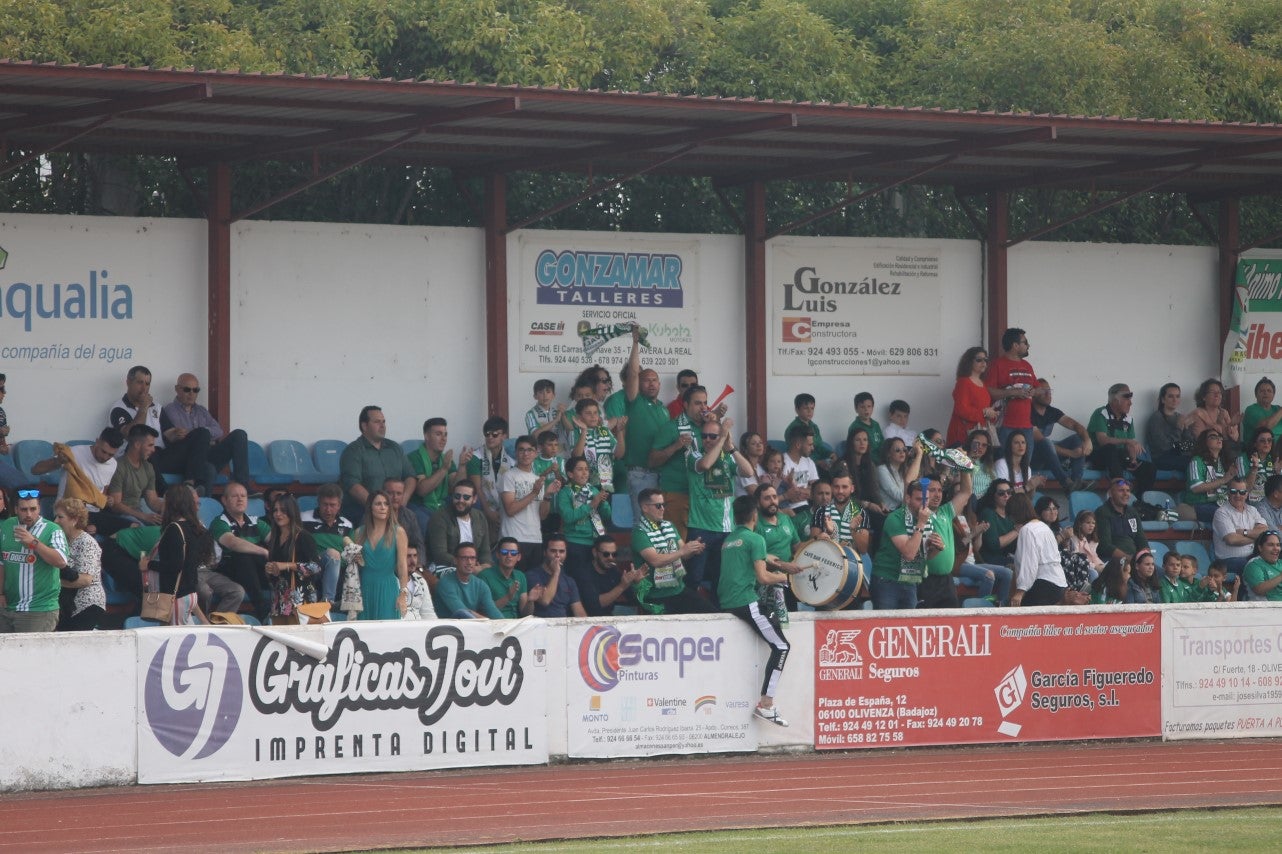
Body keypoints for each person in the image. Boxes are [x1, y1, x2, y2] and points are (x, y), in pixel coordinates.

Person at [718, 496, 796, 727]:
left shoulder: (730, 540)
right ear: (754, 516)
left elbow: (759, 562)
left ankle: (766, 703)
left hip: (728, 600)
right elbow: (763, 577)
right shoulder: (756, 539)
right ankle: (766, 704)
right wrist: (786, 577)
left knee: (778, 640)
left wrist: (782, 566)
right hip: (746, 601)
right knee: (782, 646)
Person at [107, 366, 209, 494]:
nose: (144, 388)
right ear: (128, 382)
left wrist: (177, 434)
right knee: (145, 445)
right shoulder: (118, 408)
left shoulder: (156, 407)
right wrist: (143, 408)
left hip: (160, 456)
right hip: (135, 458)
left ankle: (191, 484)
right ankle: (165, 492)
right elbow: (130, 435)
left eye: (147, 383)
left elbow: (169, 433)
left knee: (203, 433)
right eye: (140, 383)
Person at [684, 416, 755, 595]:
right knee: (694, 576)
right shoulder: (693, 453)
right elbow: (706, 464)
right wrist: (721, 438)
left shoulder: (727, 457)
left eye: (712, 436)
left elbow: (748, 471)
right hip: (700, 527)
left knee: (720, 577)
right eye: (704, 436)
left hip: (725, 528)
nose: (707, 439)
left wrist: (731, 448)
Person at [159, 373, 251, 489]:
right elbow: (184, 438)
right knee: (209, 470)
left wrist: (203, 434)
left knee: (239, 434)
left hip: (207, 453)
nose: (192, 394)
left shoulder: (201, 410)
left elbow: (219, 431)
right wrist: (203, 435)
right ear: (177, 389)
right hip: (187, 459)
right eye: (187, 389)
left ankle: (243, 485)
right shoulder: (170, 410)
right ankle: (198, 500)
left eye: (196, 390)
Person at [631, 487, 713, 614]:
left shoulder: (669, 526)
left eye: (664, 505)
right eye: (658, 505)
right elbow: (655, 560)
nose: (663, 509)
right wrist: (682, 552)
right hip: (655, 597)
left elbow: (683, 554)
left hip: (678, 590)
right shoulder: (639, 533)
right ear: (645, 508)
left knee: (712, 613)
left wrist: (693, 548)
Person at [142, 484, 213, 625]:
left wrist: (148, 564)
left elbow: (175, 566)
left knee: (177, 643)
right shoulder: (196, 529)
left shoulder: (174, 529)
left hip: (177, 596)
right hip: (191, 594)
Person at [0, 488, 69, 632]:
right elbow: (2, 563)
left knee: (30, 654)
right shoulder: (6, 526)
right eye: (24, 509)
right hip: (7, 607)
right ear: (16, 509)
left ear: (39, 508)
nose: (29, 514)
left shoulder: (53, 530)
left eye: (33, 509)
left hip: (39, 610)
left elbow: (61, 561)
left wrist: (34, 543)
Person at [619, 325, 669, 521]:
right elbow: (632, 373)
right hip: (640, 474)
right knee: (644, 523)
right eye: (646, 380)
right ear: (638, 384)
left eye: (654, 380)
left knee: (660, 523)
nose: (651, 383)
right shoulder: (635, 401)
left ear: (659, 384)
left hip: (661, 474)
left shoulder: (663, 409)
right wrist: (635, 343)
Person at [868, 446, 926, 609]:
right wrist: (921, 524)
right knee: (885, 628)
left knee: (907, 629)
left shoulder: (928, 518)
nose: (923, 504)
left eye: (925, 499)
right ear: (907, 499)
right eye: (919, 499)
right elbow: (908, 553)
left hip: (910, 579)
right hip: (887, 580)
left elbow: (924, 553)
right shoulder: (896, 517)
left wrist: (936, 548)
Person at [649, 384, 710, 538]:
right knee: (678, 545)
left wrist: (716, 427)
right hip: (678, 494)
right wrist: (675, 446)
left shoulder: (709, 428)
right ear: (685, 404)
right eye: (697, 403)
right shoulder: (671, 428)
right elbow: (652, 461)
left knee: (702, 546)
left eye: (705, 403)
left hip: (704, 496)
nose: (703, 408)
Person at [30, 427, 125, 526]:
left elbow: (102, 491)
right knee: (88, 531)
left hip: (93, 514)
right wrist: (58, 461)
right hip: (67, 511)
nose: (105, 457)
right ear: (97, 442)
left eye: (110, 455)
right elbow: (35, 470)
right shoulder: (75, 452)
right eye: (103, 452)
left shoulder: (113, 464)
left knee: (132, 526)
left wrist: (107, 500)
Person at [338, 405, 415, 523]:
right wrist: (378, 507)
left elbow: (410, 477)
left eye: (384, 422)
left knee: (418, 520)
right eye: (377, 422)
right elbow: (353, 486)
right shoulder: (353, 451)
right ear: (364, 426)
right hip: (364, 509)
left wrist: (403, 501)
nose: (383, 426)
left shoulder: (394, 448)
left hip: (397, 507)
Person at [209, 480, 270, 620]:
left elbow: (276, 542)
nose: (240, 499)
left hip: (256, 573)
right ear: (224, 500)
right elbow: (233, 543)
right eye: (235, 496)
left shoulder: (256, 521)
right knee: (242, 556)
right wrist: (264, 551)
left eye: (243, 496)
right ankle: (262, 609)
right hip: (230, 573)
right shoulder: (219, 522)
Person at [917, 461, 974, 609]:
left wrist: (963, 466)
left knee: (951, 623)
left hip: (947, 581)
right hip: (925, 580)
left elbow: (966, 492)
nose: (937, 495)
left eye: (940, 490)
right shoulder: (918, 513)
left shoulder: (946, 511)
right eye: (932, 490)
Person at [500, 435, 562, 569]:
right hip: (513, 538)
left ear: (536, 453)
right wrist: (534, 493)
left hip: (535, 538)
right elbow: (510, 510)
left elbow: (542, 515)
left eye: (529, 450)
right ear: (516, 452)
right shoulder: (509, 476)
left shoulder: (537, 479)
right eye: (521, 450)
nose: (525, 454)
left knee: (533, 585)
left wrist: (547, 496)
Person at [1087, 383, 1156, 495]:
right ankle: (1119, 485)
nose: (1130, 403)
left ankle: (1141, 500)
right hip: (1099, 456)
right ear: (1115, 400)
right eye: (1126, 398)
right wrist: (1127, 441)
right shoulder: (1101, 413)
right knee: (1110, 448)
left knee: (1149, 468)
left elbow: (1130, 444)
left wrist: (1133, 459)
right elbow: (1102, 440)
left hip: (1119, 457)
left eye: (1130, 398)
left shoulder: (1128, 419)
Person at [263, 494, 322, 622]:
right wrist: (272, 570)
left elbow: (316, 567)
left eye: (283, 510)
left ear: (292, 512)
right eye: (275, 510)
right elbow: (277, 576)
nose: (278, 514)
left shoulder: (303, 536)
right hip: (280, 604)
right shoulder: (274, 538)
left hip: (300, 602)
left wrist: (287, 565)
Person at [408, 417, 472, 533]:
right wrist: (443, 469)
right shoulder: (414, 457)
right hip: (420, 505)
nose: (443, 439)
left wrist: (462, 466)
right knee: (429, 524)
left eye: (445, 435)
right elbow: (422, 490)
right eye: (438, 434)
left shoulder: (445, 459)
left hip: (442, 503)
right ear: (426, 436)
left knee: (472, 507)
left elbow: (456, 488)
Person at [352, 490, 409, 620]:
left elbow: (402, 565)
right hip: (364, 587)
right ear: (370, 507)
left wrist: (403, 594)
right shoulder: (359, 533)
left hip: (388, 587)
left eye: (386, 504)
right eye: (378, 504)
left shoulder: (398, 532)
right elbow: (355, 567)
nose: (383, 507)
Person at [99, 424, 164, 536]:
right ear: (137, 445)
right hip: (121, 517)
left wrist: (171, 507)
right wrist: (144, 516)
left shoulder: (148, 467)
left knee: (167, 530)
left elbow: (152, 500)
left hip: (139, 515)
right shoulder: (118, 466)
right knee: (145, 534)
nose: (153, 449)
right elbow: (116, 505)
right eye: (150, 445)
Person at [556, 455, 612, 582]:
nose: (585, 472)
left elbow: (607, 516)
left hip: (594, 543)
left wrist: (603, 503)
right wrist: (592, 505)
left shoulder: (593, 490)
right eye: (580, 469)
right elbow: (568, 517)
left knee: (591, 581)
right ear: (570, 474)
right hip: (574, 543)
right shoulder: (565, 492)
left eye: (586, 469)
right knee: (576, 581)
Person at [1009, 493, 1071, 606]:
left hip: (1044, 584)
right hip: (1059, 582)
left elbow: (1029, 563)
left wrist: (1020, 591)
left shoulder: (1027, 530)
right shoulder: (1044, 527)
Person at [1030, 380, 1092, 492]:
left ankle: (1076, 482)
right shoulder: (1027, 411)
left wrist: (1087, 440)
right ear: (1033, 393)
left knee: (1078, 438)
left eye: (1049, 391)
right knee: (1046, 442)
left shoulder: (1052, 411)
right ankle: (1066, 483)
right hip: (1033, 460)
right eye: (1044, 391)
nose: (1048, 394)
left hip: (1051, 459)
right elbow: (1040, 440)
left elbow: (1075, 425)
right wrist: (1071, 453)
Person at [54, 498, 105, 631]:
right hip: (68, 604)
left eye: (60, 517)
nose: (56, 521)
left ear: (74, 519)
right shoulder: (62, 541)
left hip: (87, 605)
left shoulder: (87, 543)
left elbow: (85, 580)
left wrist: (52, 582)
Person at [300, 483, 354, 605]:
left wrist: (338, 561)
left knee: (336, 557)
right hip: (311, 569)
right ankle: (328, 602)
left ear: (339, 505)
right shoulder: (303, 519)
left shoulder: (347, 525)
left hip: (339, 574)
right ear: (318, 503)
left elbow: (351, 555)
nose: (328, 509)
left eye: (332, 505)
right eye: (325, 505)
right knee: (332, 553)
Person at [569, 534, 643, 617]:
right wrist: (622, 586)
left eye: (614, 554)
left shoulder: (613, 571)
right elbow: (595, 605)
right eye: (606, 554)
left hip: (608, 620)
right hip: (586, 622)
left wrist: (636, 583)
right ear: (595, 553)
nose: (610, 558)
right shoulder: (583, 573)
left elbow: (634, 601)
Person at [987, 328, 1037, 448]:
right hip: (1005, 425)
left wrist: (1033, 391)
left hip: (1027, 425)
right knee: (1004, 463)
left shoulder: (1027, 365)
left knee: (1025, 465)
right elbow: (988, 390)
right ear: (1015, 345)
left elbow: (1037, 388)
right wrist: (1011, 392)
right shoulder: (997, 364)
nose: (1028, 345)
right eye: (1025, 342)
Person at [428, 479, 493, 571]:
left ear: (474, 499)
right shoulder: (440, 517)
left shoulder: (480, 517)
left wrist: (484, 567)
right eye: (457, 496)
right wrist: (467, 566)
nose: (461, 500)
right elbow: (440, 554)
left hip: (474, 568)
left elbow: (485, 551)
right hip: (446, 567)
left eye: (466, 497)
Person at [468, 415, 514, 540]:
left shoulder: (511, 461)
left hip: (503, 505)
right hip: (481, 504)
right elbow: (477, 488)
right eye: (487, 434)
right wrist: (489, 512)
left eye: (494, 434)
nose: (490, 437)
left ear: (504, 436)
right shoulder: (475, 457)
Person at [1211, 477, 1268, 575]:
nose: (1238, 495)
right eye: (1234, 491)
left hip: (1251, 556)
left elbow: (1264, 530)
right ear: (1228, 493)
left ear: (1246, 494)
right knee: (1247, 565)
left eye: (1242, 492)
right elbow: (1232, 540)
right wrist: (1256, 538)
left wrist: (1244, 532)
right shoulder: (1221, 513)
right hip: (1228, 561)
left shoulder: (1252, 510)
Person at [569, 397, 625, 495]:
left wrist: (619, 432)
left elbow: (619, 454)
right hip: (584, 485)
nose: (593, 416)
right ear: (579, 417)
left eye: (595, 412)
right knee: (587, 510)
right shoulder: (575, 432)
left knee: (606, 510)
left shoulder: (604, 430)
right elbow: (576, 456)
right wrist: (584, 431)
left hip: (606, 484)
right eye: (588, 413)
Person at [436, 542, 503, 619]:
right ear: (455, 560)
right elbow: (463, 613)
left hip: (472, 627)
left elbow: (493, 611)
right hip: (447, 629)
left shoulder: (481, 584)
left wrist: (506, 625)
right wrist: (487, 621)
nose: (469, 562)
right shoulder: (445, 583)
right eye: (464, 558)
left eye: (472, 558)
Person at [947, 346, 998, 447]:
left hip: (980, 432)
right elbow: (961, 409)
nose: (983, 363)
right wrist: (984, 413)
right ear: (969, 362)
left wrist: (991, 414)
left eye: (985, 360)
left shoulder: (983, 384)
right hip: (964, 432)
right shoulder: (964, 382)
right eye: (979, 360)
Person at [525, 535, 586, 618]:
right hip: (540, 626)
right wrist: (556, 573)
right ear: (545, 552)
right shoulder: (532, 575)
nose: (557, 555)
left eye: (561, 551)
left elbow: (579, 612)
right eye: (553, 551)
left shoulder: (569, 581)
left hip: (564, 626)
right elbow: (545, 601)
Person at [1182, 430, 1234, 525]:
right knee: (1226, 515)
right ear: (1204, 442)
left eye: (1220, 437)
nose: (1219, 439)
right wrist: (1223, 480)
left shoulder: (1224, 462)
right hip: (1201, 504)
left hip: (1223, 503)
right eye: (1213, 437)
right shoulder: (1197, 461)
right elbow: (1196, 487)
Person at [1095, 478, 1149, 561]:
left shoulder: (1132, 512)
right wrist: (1129, 560)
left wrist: (1146, 558)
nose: (1126, 494)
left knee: (1160, 572)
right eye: (1121, 490)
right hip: (1113, 560)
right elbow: (1105, 546)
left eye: (1128, 490)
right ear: (1110, 493)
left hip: (1134, 560)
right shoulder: (1102, 512)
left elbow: (1141, 539)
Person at [1145, 383, 1193, 472]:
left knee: (1201, 460)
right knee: (1191, 463)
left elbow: (1189, 444)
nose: (1175, 400)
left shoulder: (1179, 417)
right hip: (1160, 458)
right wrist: (1178, 428)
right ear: (1163, 399)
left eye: (1177, 396)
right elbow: (1164, 447)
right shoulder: (1156, 418)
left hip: (1178, 454)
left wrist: (1185, 429)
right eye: (1171, 396)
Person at [1185, 378, 1242, 453]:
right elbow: (1203, 441)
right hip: (1205, 453)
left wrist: (1232, 425)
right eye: (1212, 392)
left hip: (1224, 452)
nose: (1217, 395)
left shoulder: (1224, 412)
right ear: (1203, 397)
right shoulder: (1198, 413)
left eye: (1219, 392)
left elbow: (1233, 439)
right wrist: (1219, 423)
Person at [478, 537, 529, 618]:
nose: (509, 556)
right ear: (498, 555)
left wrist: (531, 601)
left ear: (519, 557)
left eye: (513, 553)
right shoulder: (484, 576)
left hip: (516, 625)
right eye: (504, 552)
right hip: (493, 624)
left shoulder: (520, 576)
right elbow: (484, 611)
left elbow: (525, 614)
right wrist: (508, 597)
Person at [977, 479, 1018, 567]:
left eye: (1009, 492)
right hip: (990, 560)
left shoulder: (1012, 513)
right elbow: (994, 544)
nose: (1006, 495)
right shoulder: (988, 513)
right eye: (1001, 493)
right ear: (993, 496)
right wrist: (1016, 531)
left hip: (1009, 556)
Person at [781, 423, 819, 517]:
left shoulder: (809, 462)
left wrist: (802, 492)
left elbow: (817, 489)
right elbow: (785, 494)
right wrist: (807, 491)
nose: (812, 448)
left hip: (807, 506)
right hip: (788, 510)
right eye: (810, 445)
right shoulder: (782, 462)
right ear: (798, 445)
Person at [790, 393, 837, 468]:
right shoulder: (792, 429)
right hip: (804, 465)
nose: (810, 411)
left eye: (812, 408)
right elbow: (795, 453)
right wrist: (817, 462)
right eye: (806, 408)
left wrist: (830, 454)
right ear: (797, 410)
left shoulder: (814, 427)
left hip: (820, 462)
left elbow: (819, 446)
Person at [1238, 426, 1276, 504]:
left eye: (1269, 440)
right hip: (1248, 502)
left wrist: (1278, 473)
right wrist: (1254, 469)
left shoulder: (1275, 460)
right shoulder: (1243, 459)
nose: (1267, 443)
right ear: (1255, 443)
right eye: (1262, 441)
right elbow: (1244, 489)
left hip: (1271, 504)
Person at [1243, 530, 1282, 602]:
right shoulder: (1253, 564)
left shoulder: (1280, 563)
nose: (1276, 548)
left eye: (1278, 545)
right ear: (1260, 548)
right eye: (1271, 545)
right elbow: (1259, 589)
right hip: (1264, 609)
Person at [1066, 510, 1105, 580]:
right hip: (1080, 568)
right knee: (1093, 574)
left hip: (1091, 566)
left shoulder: (1092, 540)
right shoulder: (1074, 538)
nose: (1092, 525)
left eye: (1093, 523)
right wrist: (1095, 567)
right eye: (1088, 523)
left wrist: (1100, 565)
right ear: (1080, 524)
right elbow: (1076, 559)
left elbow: (1094, 557)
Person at [876, 437, 912, 512]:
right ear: (889, 454)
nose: (902, 452)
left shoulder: (903, 470)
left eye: (904, 449)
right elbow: (898, 496)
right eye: (897, 450)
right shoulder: (882, 469)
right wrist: (914, 498)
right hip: (888, 513)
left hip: (902, 510)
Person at [0, 374, 23, 490]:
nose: (4, 393)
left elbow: (2, 444)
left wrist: (3, 446)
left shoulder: (1, 412)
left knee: (22, 484)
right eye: (1, 389)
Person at [1243, 376, 1282, 443]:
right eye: (1262, 391)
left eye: (1269, 391)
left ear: (1273, 395)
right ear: (1256, 394)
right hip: (1258, 451)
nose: (1265, 393)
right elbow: (1265, 427)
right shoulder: (1251, 410)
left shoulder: (1277, 409)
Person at [964, 429, 998, 503]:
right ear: (970, 443)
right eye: (976, 443)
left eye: (984, 445)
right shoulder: (961, 460)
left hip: (988, 502)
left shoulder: (988, 465)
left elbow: (996, 486)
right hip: (971, 503)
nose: (980, 447)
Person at [848, 392, 884, 461]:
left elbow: (882, 444)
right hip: (867, 461)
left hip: (881, 459)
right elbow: (854, 450)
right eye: (862, 407)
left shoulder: (876, 424)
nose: (866, 410)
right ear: (856, 409)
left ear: (873, 408)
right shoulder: (854, 427)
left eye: (869, 406)